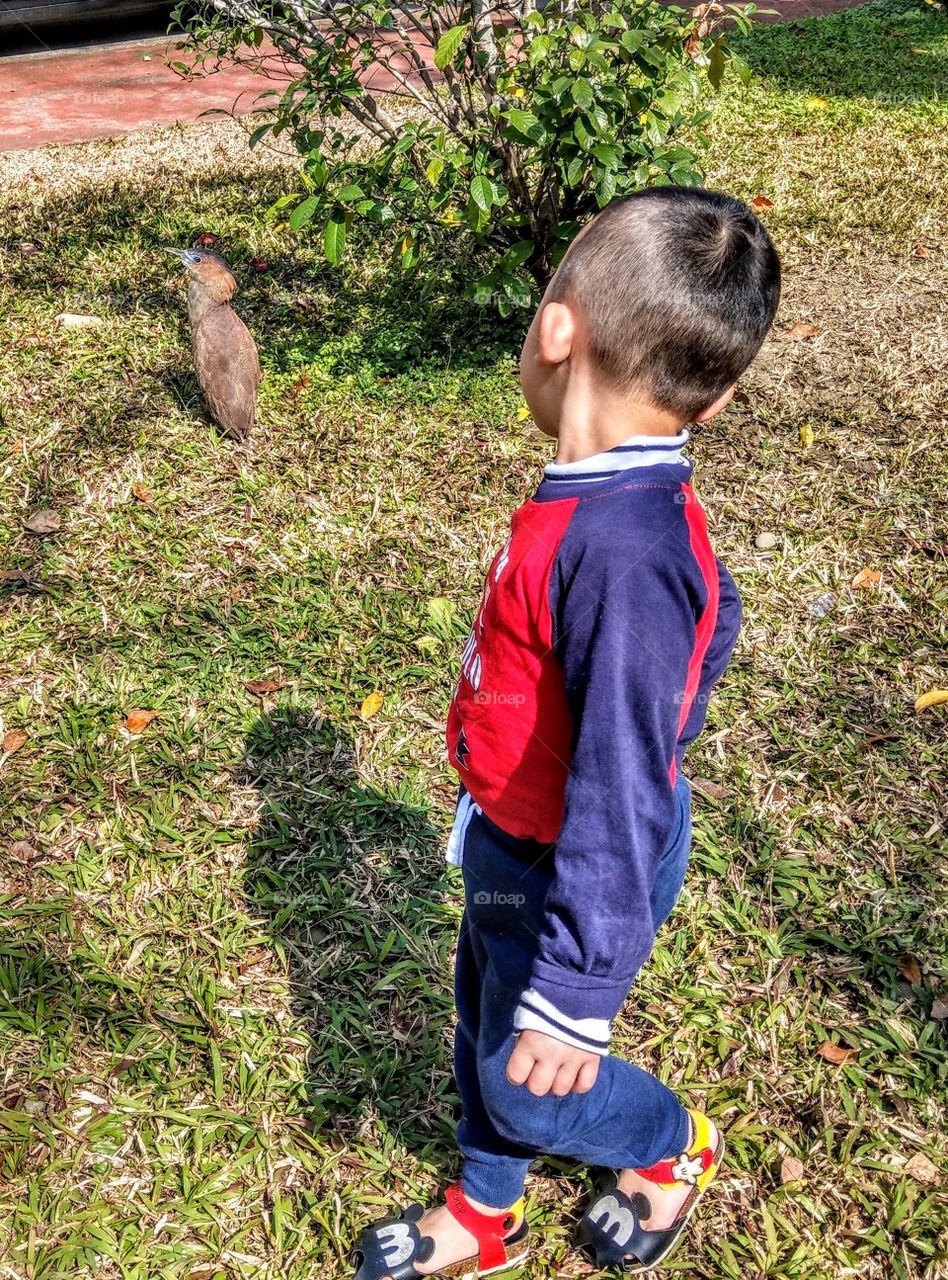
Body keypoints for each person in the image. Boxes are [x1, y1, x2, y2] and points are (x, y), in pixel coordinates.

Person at [352, 186, 781, 1279]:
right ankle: (486, 1209)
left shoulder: (620, 550)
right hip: (515, 833)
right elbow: (717, 612)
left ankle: (669, 1143)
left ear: (557, 328)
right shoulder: (609, 499)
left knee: (525, 1069)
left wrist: (581, 992)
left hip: (573, 861)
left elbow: (626, 780)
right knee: (482, 1013)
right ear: (717, 396)